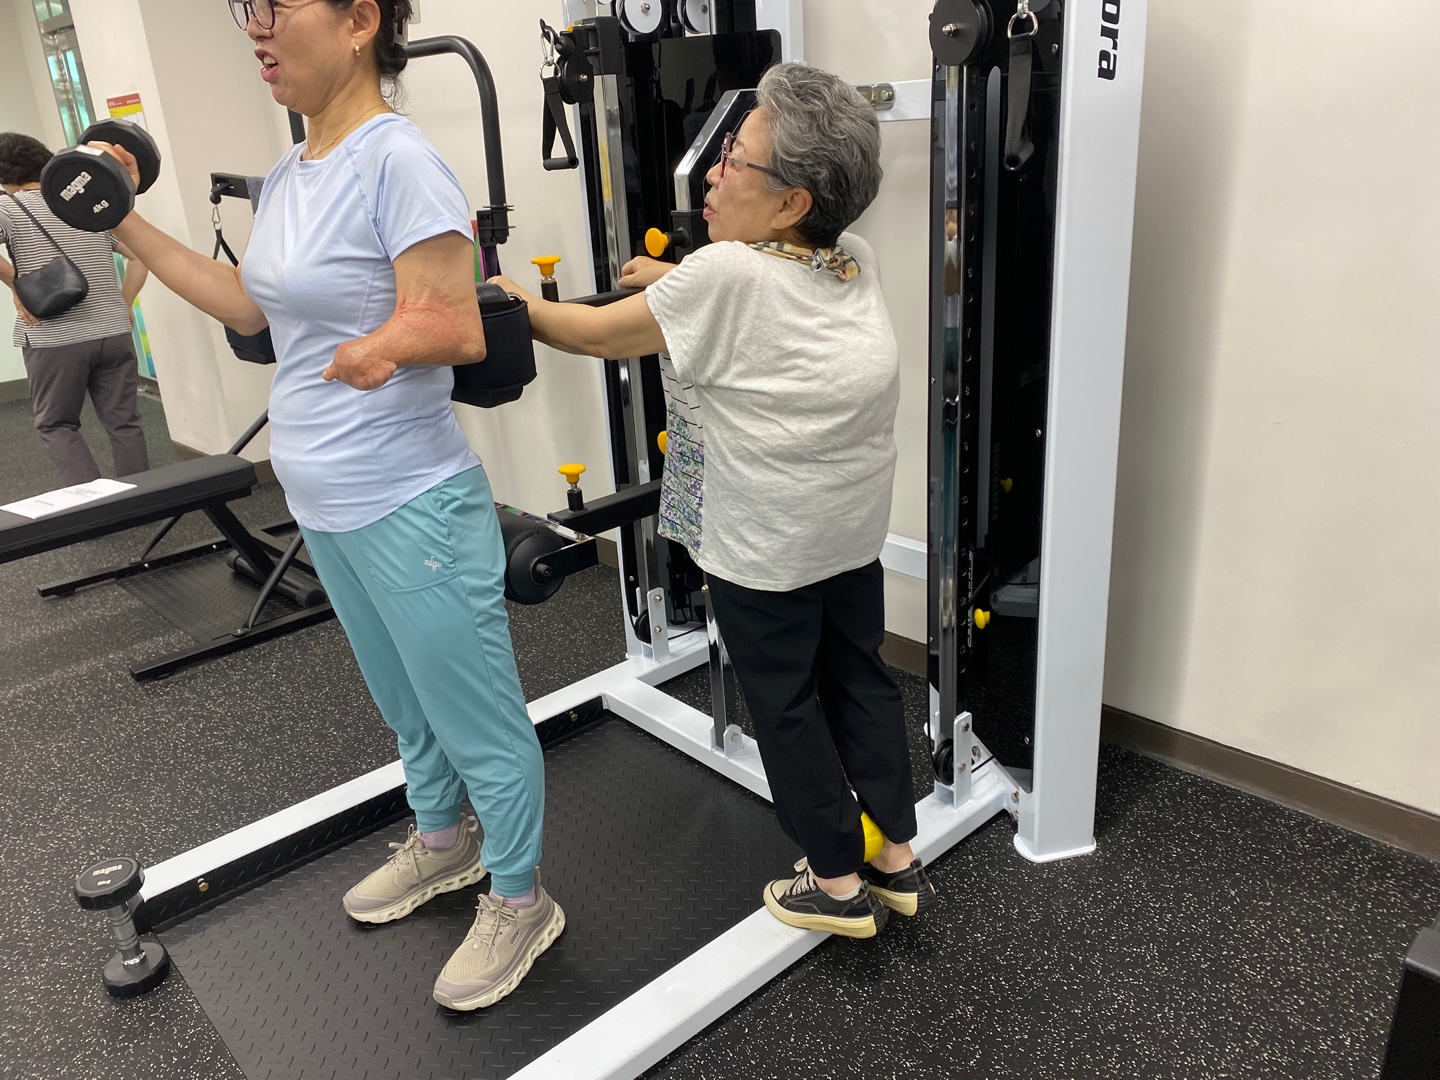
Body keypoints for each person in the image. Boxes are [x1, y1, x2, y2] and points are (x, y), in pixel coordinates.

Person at [94, 0, 561, 1010]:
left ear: (359, 21)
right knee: (405, 706)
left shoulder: (399, 160)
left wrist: (380, 348)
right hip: (324, 500)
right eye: (247, 11)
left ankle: (521, 898)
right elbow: (250, 307)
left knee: (476, 717)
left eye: (278, 8)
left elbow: (457, 327)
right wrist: (122, 218)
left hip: (409, 498)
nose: (255, 30)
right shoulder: (292, 169)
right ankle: (442, 841)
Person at [491, 62, 933, 939]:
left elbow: (595, 335)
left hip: (765, 551)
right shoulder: (854, 257)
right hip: (848, 536)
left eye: (735, 158)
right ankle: (895, 858)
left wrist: (519, 303)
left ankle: (834, 884)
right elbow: (766, 288)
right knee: (860, 680)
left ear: (791, 203)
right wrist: (671, 274)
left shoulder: (722, 277)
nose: (713, 170)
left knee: (787, 707)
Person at [0, 132, 150, 485]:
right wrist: (124, 302)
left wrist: (15, 283)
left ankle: (95, 506)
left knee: (57, 424)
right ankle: (146, 501)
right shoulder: (82, 202)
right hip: (114, 331)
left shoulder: (9, 208)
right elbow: (141, 255)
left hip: (55, 337)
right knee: (124, 421)